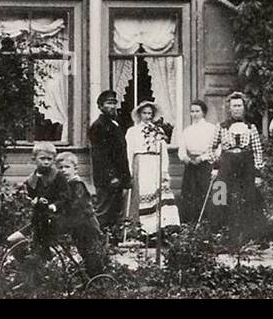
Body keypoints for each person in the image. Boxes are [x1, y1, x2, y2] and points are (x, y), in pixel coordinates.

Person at [210, 92, 265, 244]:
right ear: (229, 108)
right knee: (219, 196)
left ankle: (246, 236)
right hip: (226, 163)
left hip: (246, 164)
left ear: (244, 108)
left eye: (239, 106)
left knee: (247, 197)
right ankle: (220, 233)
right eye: (234, 106)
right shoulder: (221, 127)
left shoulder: (251, 127)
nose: (236, 109)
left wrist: (258, 173)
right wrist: (215, 165)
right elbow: (212, 147)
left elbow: (257, 151)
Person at [125, 101, 180, 240]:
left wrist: (164, 170)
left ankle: (160, 227)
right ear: (139, 114)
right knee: (144, 193)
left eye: (150, 113)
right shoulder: (133, 131)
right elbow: (129, 151)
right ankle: (144, 229)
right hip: (142, 163)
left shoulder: (158, 131)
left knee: (159, 193)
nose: (147, 116)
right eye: (144, 113)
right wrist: (130, 171)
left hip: (156, 163)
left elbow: (163, 152)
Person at [55, 151, 109, 275]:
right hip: (77, 225)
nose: (64, 170)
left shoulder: (77, 185)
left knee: (91, 253)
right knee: (83, 252)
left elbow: (77, 205)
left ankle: (98, 280)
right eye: (60, 168)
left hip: (86, 224)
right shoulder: (66, 186)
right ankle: (88, 279)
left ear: (75, 169)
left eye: (67, 167)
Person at [88, 90, 130, 241]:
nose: (112, 107)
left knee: (115, 211)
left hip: (118, 177)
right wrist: (111, 176)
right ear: (100, 106)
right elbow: (100, 156)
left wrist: (124, 176)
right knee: (104, 211)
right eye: (108, 103)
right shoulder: (98, 126)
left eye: (114, 103)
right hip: (107, 178)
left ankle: (110, 243)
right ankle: (95, 242)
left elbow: (120, 154)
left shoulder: (115, 124)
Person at [176, 99, 220, 224]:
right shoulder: (187, 130)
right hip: (191, 165)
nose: (194, 114)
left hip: (205, 165)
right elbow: (182, 149)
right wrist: (185, 158)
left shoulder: (211, 129)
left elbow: (217, 149)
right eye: (192, 111)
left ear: (203, 113)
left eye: (197, 111)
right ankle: (190, 223)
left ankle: (206, 223)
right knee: (190, 193)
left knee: (205, 192)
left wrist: (203, 158)